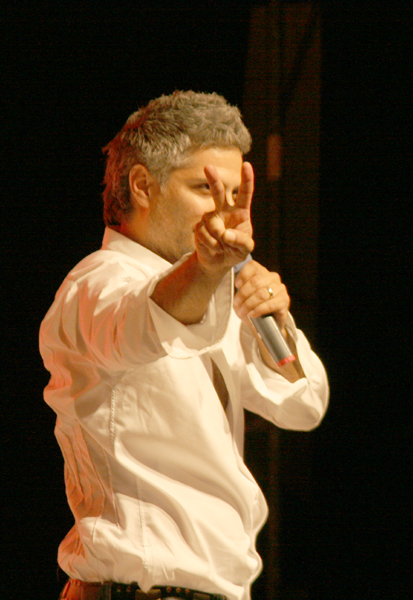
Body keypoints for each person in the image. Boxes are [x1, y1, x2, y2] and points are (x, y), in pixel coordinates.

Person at [39, 91, 329, 600]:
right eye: (204, 188)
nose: (225, 212)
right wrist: (207, 268)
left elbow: (303, 405)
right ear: (142, 186)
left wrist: (272, 316)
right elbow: (144, 322)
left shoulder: (219, 294)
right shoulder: (95, 284)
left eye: (235, 194)